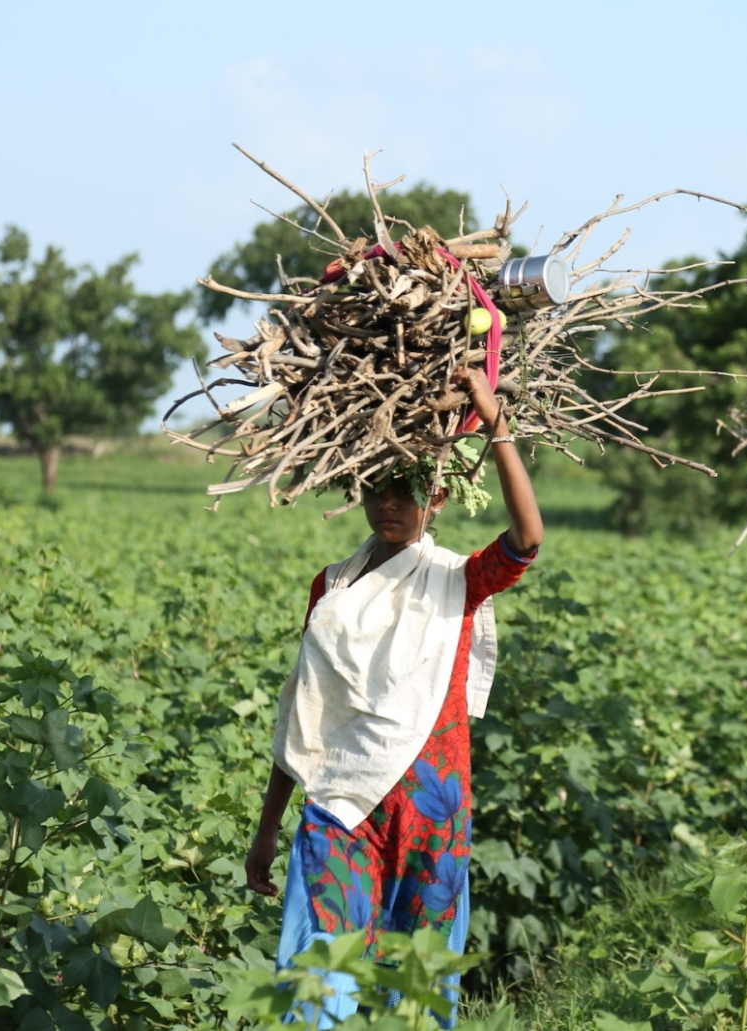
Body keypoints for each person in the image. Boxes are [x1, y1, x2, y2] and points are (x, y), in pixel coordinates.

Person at [244, 366, 543, 1028]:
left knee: (416, 1000)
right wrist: (268, 827)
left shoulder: (458, 580)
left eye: (405, 490)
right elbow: (306, 712)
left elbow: (528, 538)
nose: (388, 503)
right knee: (313, 988)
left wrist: (492, 417)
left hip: (430, 815)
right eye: (374, 487)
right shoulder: (331, 588)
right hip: (340, 805)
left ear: (435, 497)